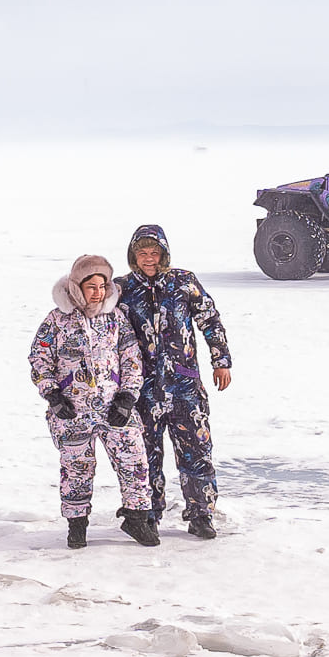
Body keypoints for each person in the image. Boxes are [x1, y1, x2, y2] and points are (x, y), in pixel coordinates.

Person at [114, 223, 232, 539]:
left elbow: (210, 319)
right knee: (145, 456)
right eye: (142, 253)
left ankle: (201, 514)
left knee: (197, 451)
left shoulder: (183, 282)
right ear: (133, 255)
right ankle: (147, 516)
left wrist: (221, 361)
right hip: (142, 390)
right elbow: (102, 333)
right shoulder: (120, 289)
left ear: (164, 254)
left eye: (154, 253)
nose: (149, 259)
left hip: (185, 387)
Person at [30, 254, 154, 547]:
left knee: (134, 460)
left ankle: (136, 518)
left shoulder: (116, 318)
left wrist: (127, 397)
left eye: (102, 285)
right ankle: (77, 525)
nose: (98, 292)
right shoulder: (56, 320)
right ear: (77, 287)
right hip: (73, 411)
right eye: (91, 286)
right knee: (77, 469)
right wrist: (52, 394)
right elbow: (39, 358)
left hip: (114, 409)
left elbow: (131, 357)